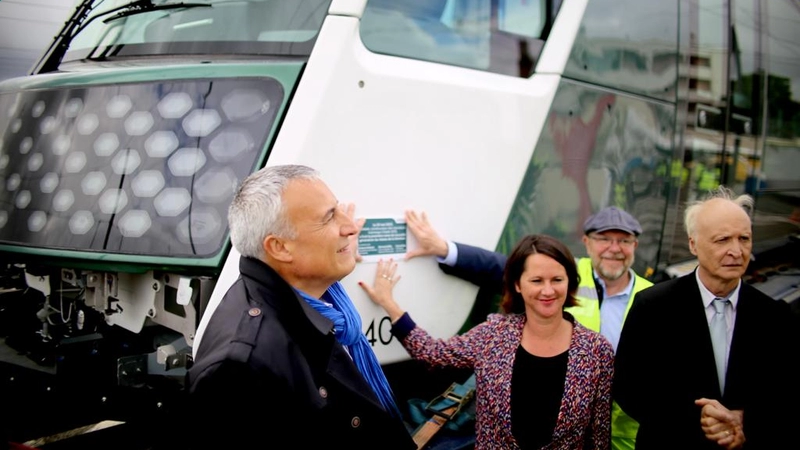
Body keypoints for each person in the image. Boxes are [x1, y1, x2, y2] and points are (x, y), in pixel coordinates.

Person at [186, 165, 415, 449]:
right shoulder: (241, 367)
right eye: (329, 217)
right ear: (280, 248)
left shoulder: (314, 297)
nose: (351, 227)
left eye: (339, 209)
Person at [403, 206, 651, 450]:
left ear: (635, 246)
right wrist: (444, 250)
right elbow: (496, 265)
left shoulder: (648, 299)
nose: (614, 248)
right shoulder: (557, 267)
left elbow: (599, 433)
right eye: (605, 239)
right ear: (587, 242)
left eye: (624, 240)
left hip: (629, 434)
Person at [360, 234, 614, 449]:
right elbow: (433, 353)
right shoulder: (494, 335)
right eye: (536, 280)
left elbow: (599, 434)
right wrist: (388, 303)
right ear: (517, 284)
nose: (547, 290)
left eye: (557, 280)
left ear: (569, 282)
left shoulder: (596, 350)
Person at [613, 186, 797, 449]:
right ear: (693, 244)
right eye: (722, 240)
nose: (736, 250)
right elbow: (629, 387)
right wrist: (701, 421)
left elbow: (786, 396)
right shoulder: (654, 306)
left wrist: (742, 421)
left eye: (744, 239)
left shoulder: (774, 316)